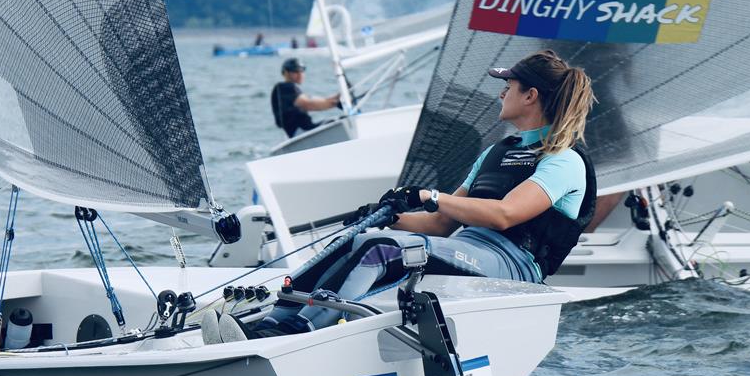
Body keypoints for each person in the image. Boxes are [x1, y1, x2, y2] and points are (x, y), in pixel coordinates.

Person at [212, 50, 597, 342]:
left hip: (512, 265)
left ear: (530, 96)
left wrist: (431, 195)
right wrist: (389, 216)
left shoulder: (563, 160)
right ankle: (269, 322)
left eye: (508, 87)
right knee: (361, 238)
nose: (501, 93)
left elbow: (505, 214)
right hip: (468, 249)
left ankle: (298, 332)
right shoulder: (495, 152)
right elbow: (441, 225)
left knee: (381, 248)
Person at [270, 57, 340, 138]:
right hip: (301, 133)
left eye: (302, 71)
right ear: (286, 73)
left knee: (338, 120)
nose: (300, 74)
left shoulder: (291, 90)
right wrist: (336, 103)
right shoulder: (285, 87)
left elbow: (322, 101)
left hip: (303, 131)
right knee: (337, 121)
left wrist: (340, 96)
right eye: (295, 71)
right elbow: (308, 104)